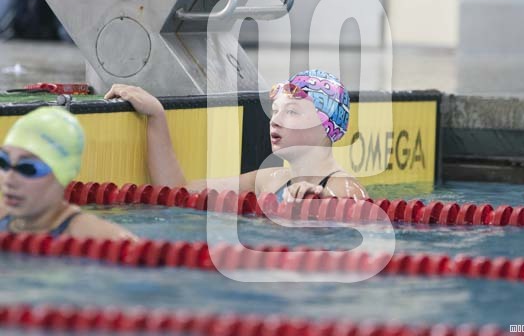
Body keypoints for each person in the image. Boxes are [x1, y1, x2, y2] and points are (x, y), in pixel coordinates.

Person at [105, 70, 368, 203]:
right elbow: (177, 192)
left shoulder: (345, 189)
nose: (275, 120)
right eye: (275, 111)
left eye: (291, 112)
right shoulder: (269, 179)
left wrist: (323, 203)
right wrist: (156, 115)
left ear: (326, 126)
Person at [0, 107, 136, 239]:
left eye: (28, 168)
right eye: (3, 162)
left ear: (63, 174)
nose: (9, 179)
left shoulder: (102, 239)